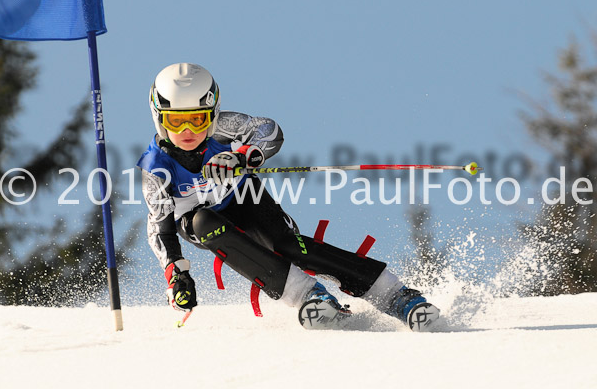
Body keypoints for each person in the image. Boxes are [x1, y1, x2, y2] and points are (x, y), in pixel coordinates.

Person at [137, 62, 440, 331]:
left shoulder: (224, 128)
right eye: (176, 121)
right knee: (205, 222)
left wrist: (242, 157)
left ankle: (396, 295)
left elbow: (269, 130)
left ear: (212, 115)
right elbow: (160, 226)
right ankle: (307, 294)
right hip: (196, 221)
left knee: (284, 244)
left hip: (241, 196)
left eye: (198, 119)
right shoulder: (156, 167)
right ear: (159, 118)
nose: (188, 130)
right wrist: (177, 274)